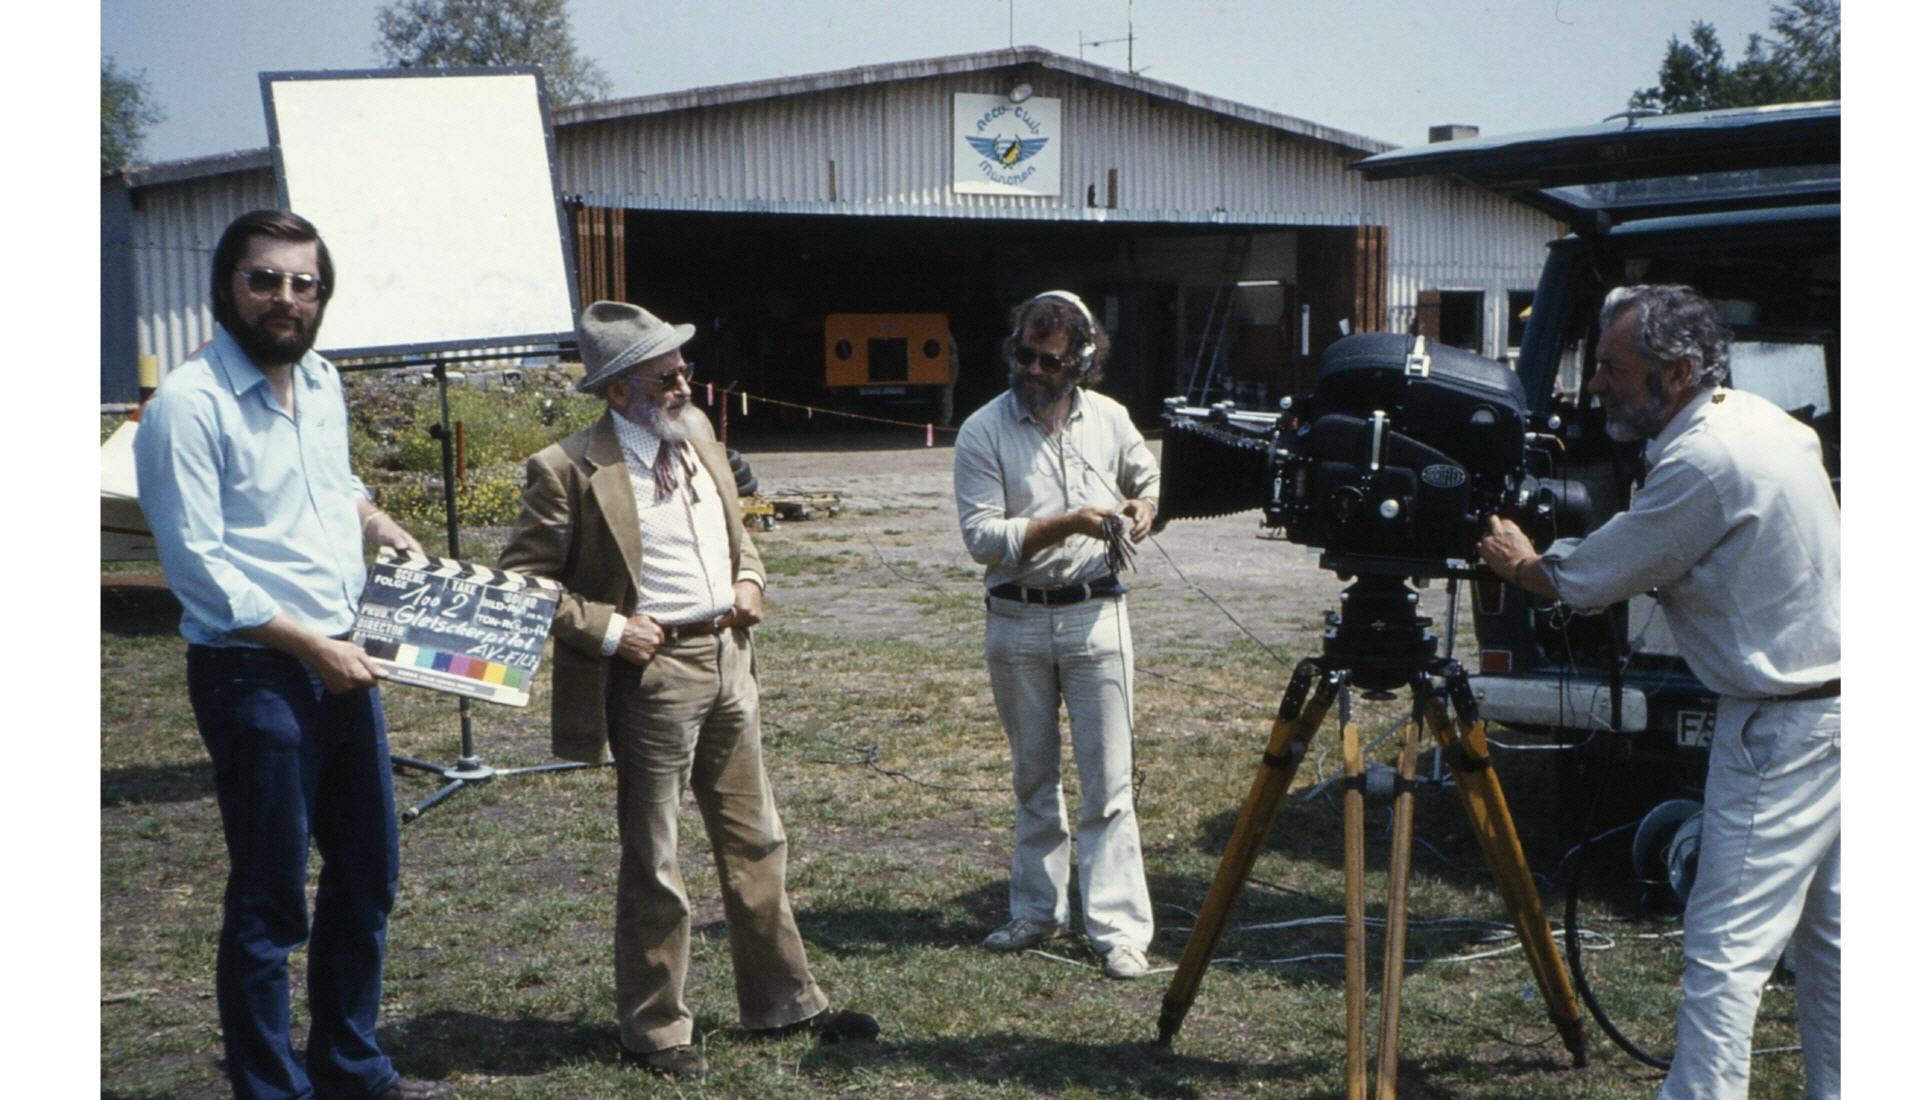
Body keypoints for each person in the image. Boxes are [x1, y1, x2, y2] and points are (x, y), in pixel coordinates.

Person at [496, 300, 879, 1079]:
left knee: (757, 840)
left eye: (683, 370)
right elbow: (519, 586)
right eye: (665, 377)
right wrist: (610, 629)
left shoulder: (698, 434)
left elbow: (737, 537)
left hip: (728, 658)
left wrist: (750, 579)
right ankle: (654, 1029)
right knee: (656, 857)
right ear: (617, 391)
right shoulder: (567, 468)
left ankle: (784, 1001)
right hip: (653, 677)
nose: (685, 386)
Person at [1478, 285, 1839, 1100]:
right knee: (1835, 940)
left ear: (1675, 374)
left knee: (1726, 946)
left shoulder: (1703, 461)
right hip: (1843, 705)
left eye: (1613, 368)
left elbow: (1590, 579)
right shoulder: (1767, 423)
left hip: (1782, 725)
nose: (1596, 385)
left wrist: (1521, 562)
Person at [133, 210, 448, 1100]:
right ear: (226, 286)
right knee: (272, 900)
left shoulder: (320, 378)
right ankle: (272, 1089)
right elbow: (197, 566)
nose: (285, 298)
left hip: (341, 662)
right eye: (264, 279)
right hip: (254, 672)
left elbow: (332, 483)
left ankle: (350, 1065)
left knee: (368, 876)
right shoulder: (189, 405)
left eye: (303, 283)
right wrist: (312, 646)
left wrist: (379, 524)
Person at [952, 290, 1159, 980]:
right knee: (1034, 776)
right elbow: (983, 539)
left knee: (1109, 781)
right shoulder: (983, 430)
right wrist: (1070, 523)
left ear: (1082, 363)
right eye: (1025, 356)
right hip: (1015, 618)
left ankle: (1118, 930)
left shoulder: (1112, 419)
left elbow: (1148, 477)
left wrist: (1141, 507)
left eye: (1050, 361)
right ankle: (1037, 911)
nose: (1033, 371)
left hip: (1097, 615)